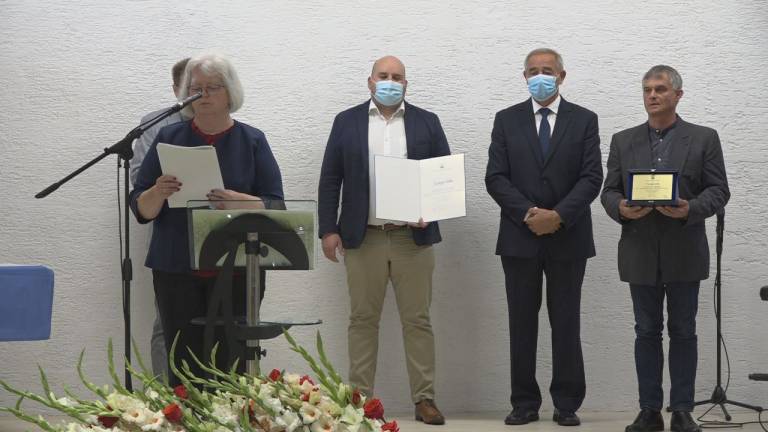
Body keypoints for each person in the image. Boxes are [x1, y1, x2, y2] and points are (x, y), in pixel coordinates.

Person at [129, 53, 284, 386]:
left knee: (232, 365)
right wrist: (157, 191)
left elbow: (276, 205)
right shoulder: (168, 138)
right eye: (195, 88)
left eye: (213, 87)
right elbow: (141, 209)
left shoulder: (252, 140)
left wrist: (243, 202)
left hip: (237, 269)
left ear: (230, 93)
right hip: (175, 269)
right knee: (182, 366)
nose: (203, 95)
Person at [318, 55, 449, 425]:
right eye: (383, 75)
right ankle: (360, 400)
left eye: (397, 77)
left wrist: (433, 208)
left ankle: (424, 399)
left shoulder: (427, 121)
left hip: (413, 238)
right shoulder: (346, 121)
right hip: (365, 238)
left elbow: (442, 174)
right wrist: (328, 229)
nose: (390, 81)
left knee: (418, 320)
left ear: (406, 84)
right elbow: (331, 179)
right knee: (362, 320)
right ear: (370, 81)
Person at [601, 65, 729, 432]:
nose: (652, 95)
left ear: (678, 95)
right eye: (647, 89)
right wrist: (620, 208)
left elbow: (719, 190)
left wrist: (692, 208)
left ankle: (682, 410)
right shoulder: (623, 140)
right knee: (646, 331)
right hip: (639, 251)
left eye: (660, 89)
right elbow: (609, 191)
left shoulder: (703, 138)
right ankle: (649, 411)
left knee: (684, 331)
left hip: (684, 249)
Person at [485, 48, 602, 427]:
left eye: (547, 70)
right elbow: (495, 177)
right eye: (533, 71)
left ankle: (566, 403)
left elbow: (591, 178)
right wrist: (528, 213)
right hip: (519, 237)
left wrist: (558, 216)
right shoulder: (506, 120)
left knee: (566, 322)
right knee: (521, 323)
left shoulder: (584, 120)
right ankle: (524, 403)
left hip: (568, 237)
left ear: (561, 76)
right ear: (524, 77)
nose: (540, 77)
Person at [129, 57, 189, 379]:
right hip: (170, 233)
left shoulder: (223, 123)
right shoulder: (155, 123)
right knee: (166, 323)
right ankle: (164, 399)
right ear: (176, 88)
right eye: (191, 85)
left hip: (217, 232)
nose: (200, 93)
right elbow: (138, 177)